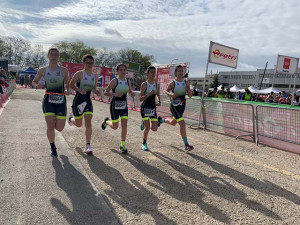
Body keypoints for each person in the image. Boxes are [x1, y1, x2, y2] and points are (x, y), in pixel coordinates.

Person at [32, 47, 69, 157]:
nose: (53, 57)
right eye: (51, 54)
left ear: (58, 57)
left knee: (60, 128)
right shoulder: (43, 70)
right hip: (48, 100)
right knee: (50, 126)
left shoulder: (64, 70)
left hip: (61, 101)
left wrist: (67, 90)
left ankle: (67, 121)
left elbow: (67, 83)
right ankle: (53, 147)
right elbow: (34, 81)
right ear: (48, 56)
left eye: (55, 55)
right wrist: (36, 85)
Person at [68, 54, 100, 155]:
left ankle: (88, 145)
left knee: (88, 123)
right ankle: (70, 119)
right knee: (78, 124)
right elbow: (70, 85)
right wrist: (78, 89)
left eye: (91, 63)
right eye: (87, 63)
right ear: (84, 63)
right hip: (78, 102)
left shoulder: (94, 76)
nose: (89, 65)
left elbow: (94, 89)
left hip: (87, 102)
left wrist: (96, 91)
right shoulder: (79, 74)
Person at [101, 64, 135, 154]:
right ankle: (107, 122)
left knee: (124, 125)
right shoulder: (114, 81)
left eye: (124, 70)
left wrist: (132, 94)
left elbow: (130, 92)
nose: (123, 71)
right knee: (115, 127)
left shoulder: (128, 82)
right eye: (121, 70)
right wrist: (114, 94)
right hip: (114, 105)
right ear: (117, 71)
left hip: (124, 106)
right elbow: (105, 92)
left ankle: (122, 145)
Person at [164, 65, 194, 152]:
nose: (181, 72)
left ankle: (161, 120)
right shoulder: (172, 83)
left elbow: (190, 96)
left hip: (182, 106)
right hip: (174, 106)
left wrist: (189, 91)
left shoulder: (186, 83)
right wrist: (171, 94)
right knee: (182, 123)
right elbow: (166, 91)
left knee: (173, 123)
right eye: (179, 71)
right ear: (175, 73)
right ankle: (186, 145)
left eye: (182, 71)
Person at [139, 66, 163, 151]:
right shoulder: (144, 84)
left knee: (154, 129)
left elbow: (158, 95)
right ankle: (144, 143)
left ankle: (157, 120)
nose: (153, 74)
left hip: (153, 108)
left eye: (154, 72)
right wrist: (148, 94)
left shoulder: (157, 85)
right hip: (145, 108)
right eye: (151, 72)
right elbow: (140, 98)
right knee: (148, 128)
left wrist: (159, 101)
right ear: (148, 73)